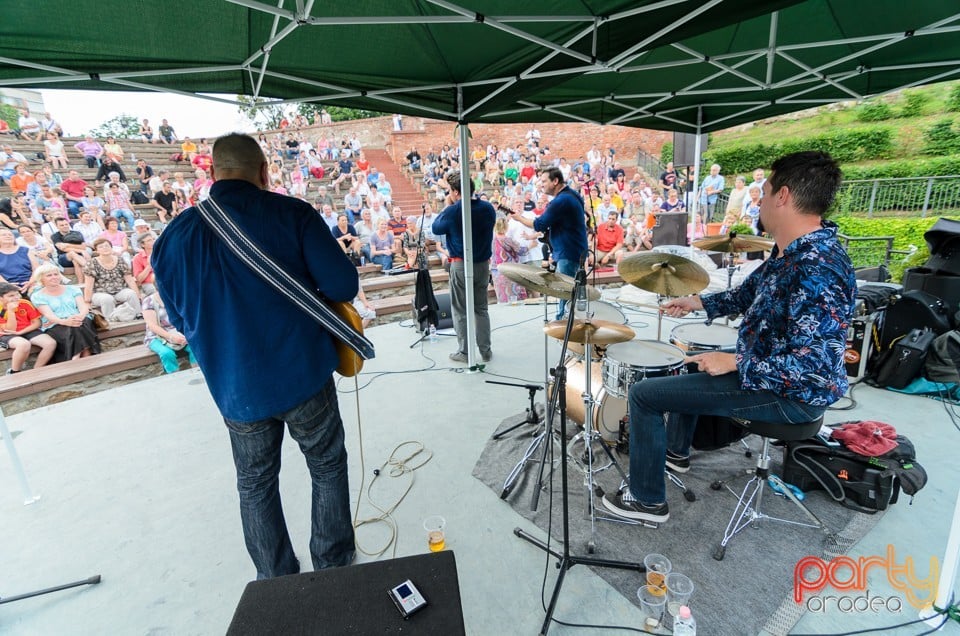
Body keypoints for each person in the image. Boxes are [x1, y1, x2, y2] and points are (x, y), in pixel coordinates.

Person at [601, 151, 857, 524]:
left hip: (789, 396)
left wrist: (735, 361)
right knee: (688, 366)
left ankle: (647, 500)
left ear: (783, 196)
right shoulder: (793, 253)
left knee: (644, 395)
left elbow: (814, 364)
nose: (760, 201)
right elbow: (747, 293)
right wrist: (697, 303)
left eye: (765, 192)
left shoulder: (818, 268)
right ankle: (675, 453)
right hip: (769, 375)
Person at [152, 132, 358, 579]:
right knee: (326, 463)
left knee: (255, 483)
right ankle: (334, 564)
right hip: (301, 371)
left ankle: (275, 579)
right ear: (264, 172)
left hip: (233, 386)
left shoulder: (172, 237)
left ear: (211, 172)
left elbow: (180, 320)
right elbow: (343, 287)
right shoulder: (293, 214)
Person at [431, 171, 496, 363]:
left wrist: (447, 207)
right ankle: (485, 350)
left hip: (461, 265)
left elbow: (436, 228)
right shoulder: (487, 209)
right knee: (481, 309)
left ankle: (465, 352)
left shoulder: (453, 211)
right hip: (483, 265)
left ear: (456, 192)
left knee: (460, 310)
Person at [510, 166, 588, 319]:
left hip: (568, 252)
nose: (541, 184)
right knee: (573, 293)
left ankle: (564, 326)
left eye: (544, 181)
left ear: (556, 181)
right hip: (576, 250)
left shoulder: (561, 201)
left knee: (565, 293)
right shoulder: (573, 195)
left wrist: (519, 218)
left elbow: (539, 225)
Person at [30, 263, 100, 362]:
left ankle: (75, 358)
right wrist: (65, 321)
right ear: (41, 279)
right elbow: (48, 315)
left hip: (80, 318)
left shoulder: (73, 289)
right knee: (75, 328)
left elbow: (83, 307)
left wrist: (80, 316)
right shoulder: (37, 296)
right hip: (55, 323)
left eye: (56, 274)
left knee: (79, 325)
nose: (54, 277)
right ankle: (85, 355)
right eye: (49, 275)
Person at [0, 282, 57, 374]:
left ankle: (36, 371)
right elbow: (11, 330)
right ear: (1, 298)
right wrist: (10, 311)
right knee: (23, 345)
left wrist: (21, 332)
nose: (16, 298)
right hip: (6, 333)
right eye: (11, 296)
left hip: (26, 329)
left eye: (17, 294)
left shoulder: (25, 303)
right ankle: (14, 372)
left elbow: (37, 323)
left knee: (50, 343)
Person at [83, 238, 142, 322]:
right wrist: (87, 301)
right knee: (107, 299)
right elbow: (89, 285)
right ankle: (111, 320)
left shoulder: (120, 260)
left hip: (119, 290)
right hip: (100, 292)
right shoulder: (92, 263)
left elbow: (130, 280)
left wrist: (138, 295)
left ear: (111, 248)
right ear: (96, 250)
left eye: (107, 246)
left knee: (131, 294)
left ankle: (138, 315)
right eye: (101, 247)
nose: (104, 248)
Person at [142, 291, 196, 373]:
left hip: (178, 333)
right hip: (156, 337)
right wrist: (171, 337)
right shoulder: (149, 301)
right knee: (166, 353)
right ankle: (174, 377)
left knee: (195, 347)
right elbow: (152, 325)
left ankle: (197, 372)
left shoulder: (177, 297)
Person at [0, 228, 39, 293]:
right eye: (4, 235)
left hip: (30, 282)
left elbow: (36, 268)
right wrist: (7, 285)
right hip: (6, 285)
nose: (8, 236)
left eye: (10, 234)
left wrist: (31, 282)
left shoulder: (25, 250)